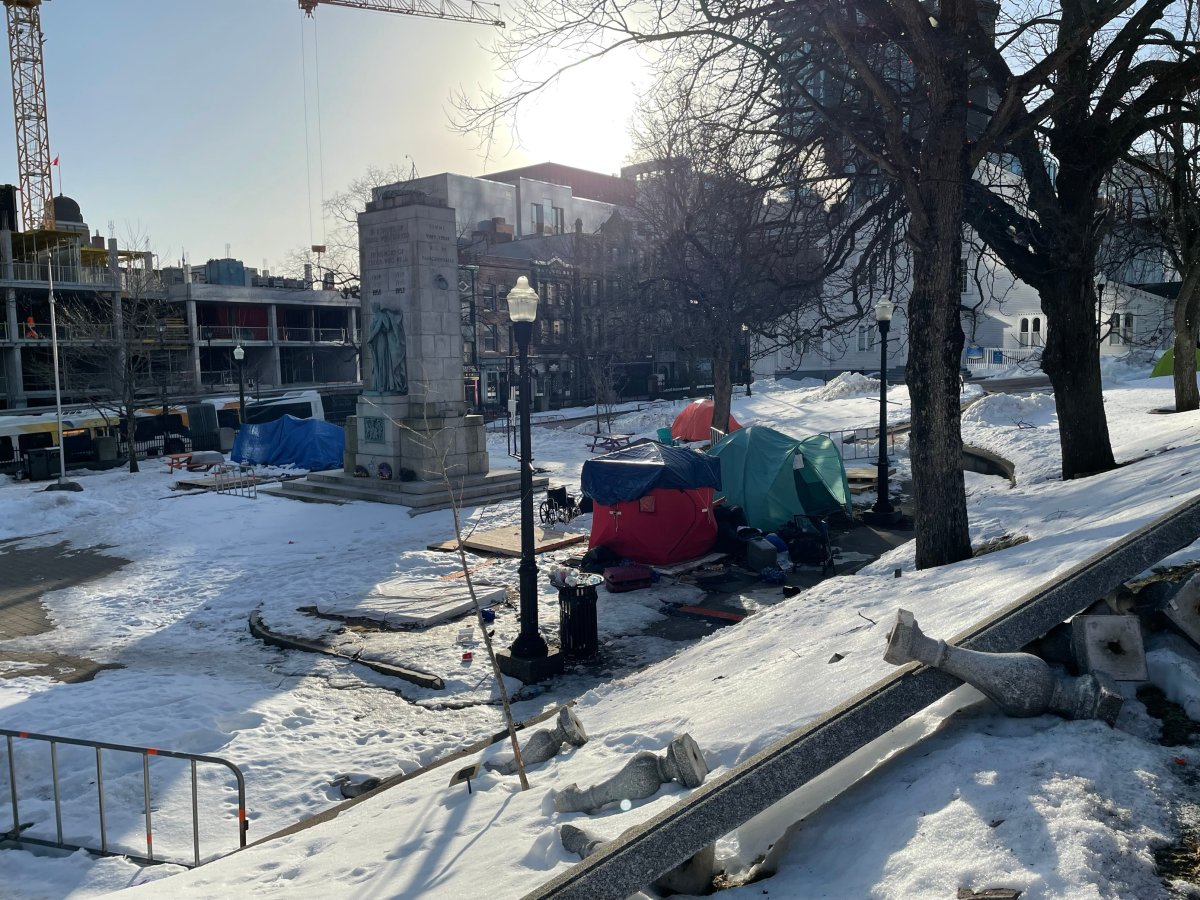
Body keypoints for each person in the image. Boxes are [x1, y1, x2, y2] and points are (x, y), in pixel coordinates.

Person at [367, 305, 408, 394]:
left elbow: (383, 327)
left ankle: (384, 385)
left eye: (373, 305)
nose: (371, 307)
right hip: (376, 341)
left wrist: (369, 339)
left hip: (381, 340)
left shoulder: (382, 315)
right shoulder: (375, 317)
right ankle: (378, 384)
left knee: (382, 362)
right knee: (377, 362)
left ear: (376, 307)